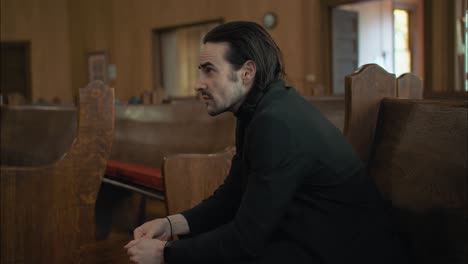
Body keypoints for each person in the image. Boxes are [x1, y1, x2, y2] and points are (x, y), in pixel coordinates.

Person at [124, 21, 407, 264]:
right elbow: (231, 196)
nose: (198, 84)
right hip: (311, 239)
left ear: (247, 72)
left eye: (209, 70)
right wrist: (170, 224)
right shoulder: (256, 111)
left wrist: (166, 253)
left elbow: (247, 239)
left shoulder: (276, 122)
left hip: (348, 252)